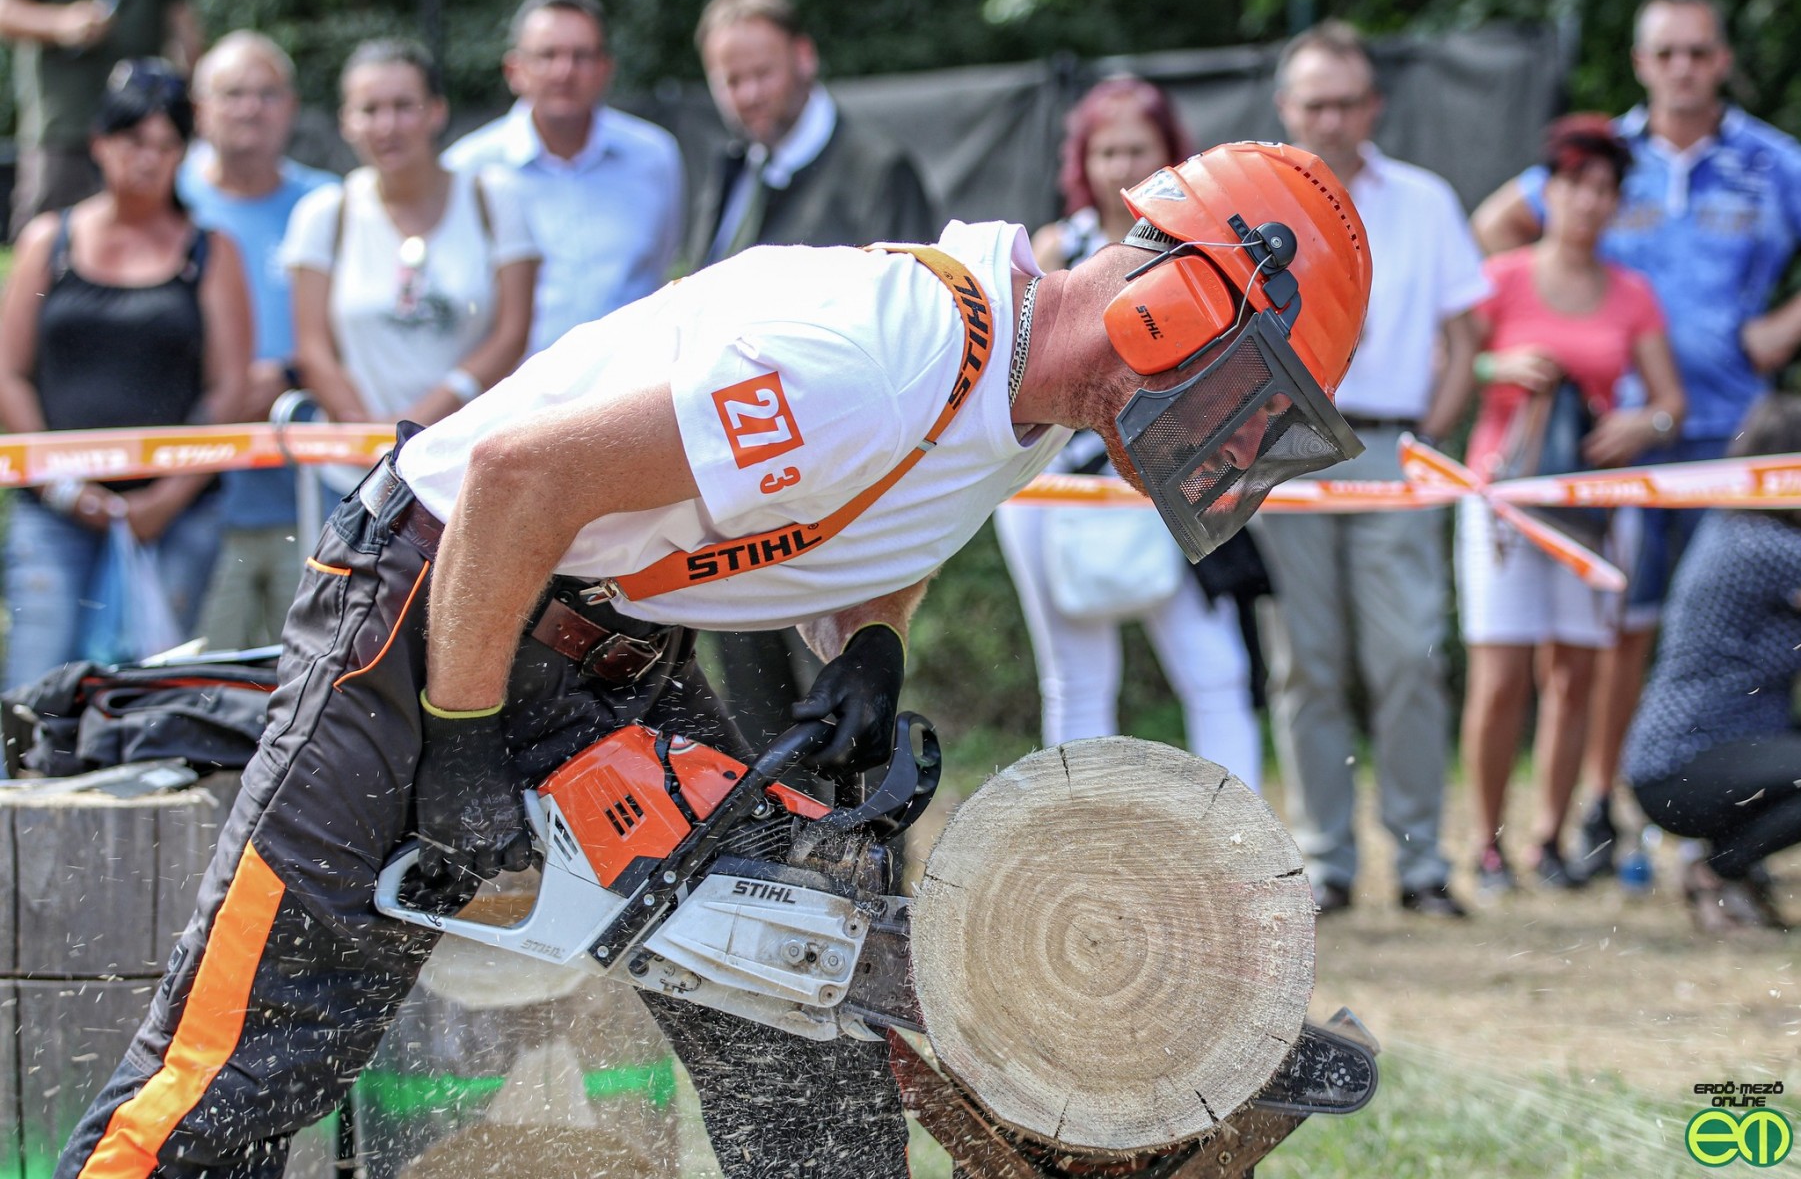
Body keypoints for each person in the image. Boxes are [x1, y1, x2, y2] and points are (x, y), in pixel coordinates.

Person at [54, 142, 1373, 1179]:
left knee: (785, 1001)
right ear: (1180, 301)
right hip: (428, 601)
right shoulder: (879, 348)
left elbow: (884, 524)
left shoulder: (1022, 398)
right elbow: (515, 479)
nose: (1231, 432)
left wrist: (865, 646)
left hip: (605, 644)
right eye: (1242, 390)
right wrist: (458, 740)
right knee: (261, 1047)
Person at [1471, 0, 1801, 878]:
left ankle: (1709, 826)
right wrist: (1516, 342)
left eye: (1699, 52)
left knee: (1736, 639)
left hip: (1735, 438)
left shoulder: (1773, 162)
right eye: (1666, 53)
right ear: (1640, 62)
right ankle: (1603, 809)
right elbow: (1495, 224)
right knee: (1616, 635)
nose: (1683, 68)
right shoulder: (1604, 159)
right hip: (1615, 441)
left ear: (1722, 60)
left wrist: (1778, 332)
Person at [1253, 21, 1489, 918]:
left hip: (1393, 446)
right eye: (1316, 102)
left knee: (1408, 657)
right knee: (1303, 663)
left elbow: (1465, 333)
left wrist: (1431, 428)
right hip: (1283, 444)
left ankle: (1423, 862)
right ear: (1286, 107)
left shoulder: (1422, 201)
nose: (1333, 118)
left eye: (1348, 100)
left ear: (1373, 105)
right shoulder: (1248, 199)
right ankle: (1324, 865)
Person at [688, 0, 941, 750]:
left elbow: (917, 324)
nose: (746, 94)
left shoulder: (876, 168)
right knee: (758, 708)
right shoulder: (734, 169)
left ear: (804, 58)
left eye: (759, 72)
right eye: (729, 80)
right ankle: (776, 865)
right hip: (740, 483)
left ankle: (870, 866)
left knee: (848, 708)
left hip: (840, 485)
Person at [993, 76, 1262, 788]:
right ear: (1082, 159)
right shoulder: (1054, 246)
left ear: (1169, 154)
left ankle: (1241, 852)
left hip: (1167, 479)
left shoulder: (1201, 250)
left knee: (1214, 671)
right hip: (1056, 488)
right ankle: (1080, 857)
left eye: (1134, 149)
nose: (1118, 166)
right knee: (1075, 682)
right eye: (1105, 150)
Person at [1456, 114, 1684, 894]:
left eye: (1602, 190)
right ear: (1546, 191)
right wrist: (1496, 363)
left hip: (1588, 498)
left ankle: (1549, 836)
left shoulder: (1631, 293)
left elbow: (1668, 403)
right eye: (1574, 185)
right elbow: (1448, 368)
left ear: (1616, 203)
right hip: (1503, 494)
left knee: (1574, 672)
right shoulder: (1502, 277)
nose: (1587, 203)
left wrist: (1640, 424)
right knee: (1498, 677)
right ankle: (1485, 843)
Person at [0, 59, 249, 689]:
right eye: (134, 141)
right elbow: (9, 373)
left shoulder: (208, 252)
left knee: (147, 694)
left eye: (168, 145)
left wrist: (164, 499)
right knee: (34, 690)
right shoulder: (47, 243)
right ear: (99, 143)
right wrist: (64, 487)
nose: (149, 159)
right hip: (52, 510)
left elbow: (229, 387)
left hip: (174, 515)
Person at [282, 38, 538, 492]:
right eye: (369, 109)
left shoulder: (494, 199)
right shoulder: (324, 213)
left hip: (469, 468)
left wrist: (418, 424)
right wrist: (373, 438)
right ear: (346, 121)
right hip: (351, 480)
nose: (388, 125)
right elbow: (313, 348)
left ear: (436, 111)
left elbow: (511, 334)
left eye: (404, 105)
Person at [1622, 393, 1801, 933]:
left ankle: (1737, 876)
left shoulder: (1736, 529)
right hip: (1683, 764)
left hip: (1693, 756)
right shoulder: (1762, 545)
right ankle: (1719, 873)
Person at [182, 32, 336, 651]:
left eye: (266, 94)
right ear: (200, 109)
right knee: (193, 681)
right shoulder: (173, 203)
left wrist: (290, 374)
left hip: (312, 499)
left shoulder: (328, 203)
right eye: (233, 93)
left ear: (292, 106)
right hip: (194, 502)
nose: (250, 108)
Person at [443, 0, 684, 357]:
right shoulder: (469, 168)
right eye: (547, 55)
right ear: (514, 70)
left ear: (606, 68)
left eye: (581, 56)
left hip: (631, 391)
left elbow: (661, 263)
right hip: (514, 397)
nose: (564, 71)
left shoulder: (654, 158)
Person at [0, 0, 200, 240]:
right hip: (64, 131)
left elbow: (182, 23)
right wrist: (60, 23)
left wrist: (190, 96)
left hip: (145, 131)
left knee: (148, 237)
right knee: (48, 239)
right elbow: (6, 10)